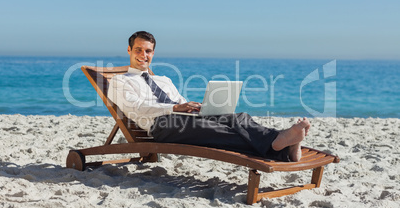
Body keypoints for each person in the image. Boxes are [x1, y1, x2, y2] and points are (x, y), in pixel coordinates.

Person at [108, 31, 311, 162]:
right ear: (129, 50)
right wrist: (174, 109)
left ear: (153, 53)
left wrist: (196, 108)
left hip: (182, 117)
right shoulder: (119, 81)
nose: (144, 55)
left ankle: (282, 144)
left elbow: (180, 101)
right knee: (217, 131)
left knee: (236, 117)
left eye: (148, 51)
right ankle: (280, 144)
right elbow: (136, 108)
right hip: (161, 125)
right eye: (138, 50)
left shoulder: (163, 79)